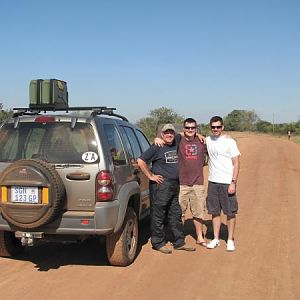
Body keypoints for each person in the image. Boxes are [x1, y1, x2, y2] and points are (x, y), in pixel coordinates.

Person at [137, 124, 196, 254]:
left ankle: (179, 242)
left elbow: (186, 133)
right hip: (161, 186)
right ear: (161, 135)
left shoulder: (176, 141)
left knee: (175, 213)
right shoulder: (157, 147)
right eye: (166, 133)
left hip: (175, 185)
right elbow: (141, 161)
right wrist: (150, 176)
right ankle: (158, 243)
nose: (169, 135)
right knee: (158, 215)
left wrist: (200, 135)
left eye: (171, 133)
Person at [205, 116, 240, 252]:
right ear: (210, 127)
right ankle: (215, 238)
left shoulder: (230, 142)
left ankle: (230, 240)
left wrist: (233, 182)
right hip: (213, 181)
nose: (216, 129)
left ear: (222, 127)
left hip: (227, 182)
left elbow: (236, 162)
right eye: (213, 127)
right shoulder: (207, 140)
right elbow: (187, 134)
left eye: (218, 127)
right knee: (214, 212)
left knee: (230, 212)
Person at [177, 118, 207, 247]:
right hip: (181, 183)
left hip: (198, 183)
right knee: (179, 212)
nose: (190, 130)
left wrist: (226, 137)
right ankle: (178, 237)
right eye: (188, 128)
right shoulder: (178, 140)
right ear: (183, 129)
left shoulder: (202, 142)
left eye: (193, 128)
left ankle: (199, 237)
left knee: (198, 212)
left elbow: (217, 142)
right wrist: (157, 139)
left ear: (196, 129)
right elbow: (165, 136)